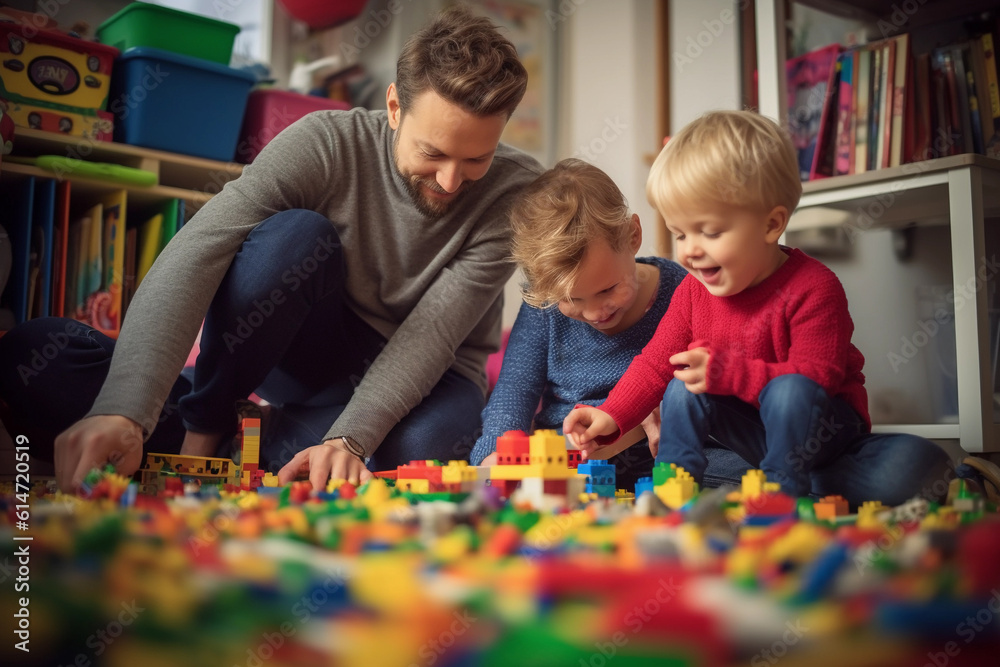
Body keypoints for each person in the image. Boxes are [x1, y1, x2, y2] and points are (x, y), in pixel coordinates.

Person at [0, 6, 543, 494]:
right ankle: (207, 430)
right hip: (307, 352)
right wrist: (125, 409)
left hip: (428, 376)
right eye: (434, 153)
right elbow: (200, 248)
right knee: (31, 357)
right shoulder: (326, 142)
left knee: (430, 450)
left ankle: (258, 445)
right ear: (395, 108)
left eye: (477, 160)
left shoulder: (517, 191)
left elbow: (433, 334)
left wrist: (350, 440)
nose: (451, 182)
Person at [563, 110, 953, 507]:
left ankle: (783, 488)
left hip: (825, 434)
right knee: (683, 381)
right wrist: (610, 417)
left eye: (710, 232)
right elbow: (653, 364)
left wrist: (728, 372)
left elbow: (815, 382)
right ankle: (675, 486)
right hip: (758, 439)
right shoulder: (694, 291)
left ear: (771, 225)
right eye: (680, 233)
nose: (690, 250)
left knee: (917, 464)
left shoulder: (814, 287)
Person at [468, 159, 689, 490]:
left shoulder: (682, 291)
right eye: (572, 300)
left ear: (633, 236)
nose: (594, 312)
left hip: (659, 450)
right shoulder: (544, 310)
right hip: (569, 457)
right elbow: (514, 392)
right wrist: (495, 455)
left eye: (607, 290)